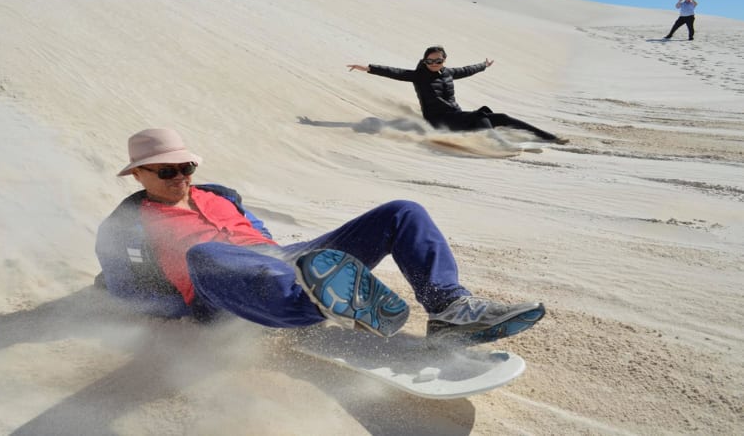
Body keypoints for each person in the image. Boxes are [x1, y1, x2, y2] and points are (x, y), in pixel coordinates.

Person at [95, 128, 546, 344]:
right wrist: (171, 314)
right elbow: (127, 283)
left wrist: (283, 255)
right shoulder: (127, 225)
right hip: (218, 295)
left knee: (401, 213)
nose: (181, 176)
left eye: (186, 166)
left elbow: (258, 232)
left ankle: (450, 309)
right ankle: (313, 300)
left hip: (278, 260)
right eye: (167, 170)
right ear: (137, 174)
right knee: (207, 253)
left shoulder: (219, 194)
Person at [347, 46, 569, 144]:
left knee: (500, 117)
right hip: (439, 121)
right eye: (430, 60)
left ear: (444, 60)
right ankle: (495, 142)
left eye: (439, 60)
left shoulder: (449, 73)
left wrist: (484, 65)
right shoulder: (418, 76)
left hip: (457, 116)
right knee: (481, 115)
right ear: (424, 61)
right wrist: (367, 67)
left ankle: (550, 137)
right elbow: (393, 72)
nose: (434, 64)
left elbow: (468, 70)